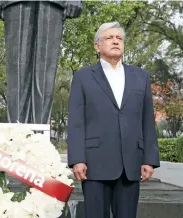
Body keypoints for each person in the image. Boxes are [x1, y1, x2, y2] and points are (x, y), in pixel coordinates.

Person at [67, 21, 160, 218]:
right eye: (109, 38)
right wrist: (77, 159)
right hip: (94, 164)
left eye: (119, 38)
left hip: (131, 164)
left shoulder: (140, 77)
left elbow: (147, 120)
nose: (115, 41)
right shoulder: (83, 77)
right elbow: (76, 121)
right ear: (97, 46)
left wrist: (149, 159)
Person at [0, 1, 82, 124]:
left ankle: (40, 137)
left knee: (46, 72)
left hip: (54, 3)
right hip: (15, 3)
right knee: (17, 71)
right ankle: (15, 135)